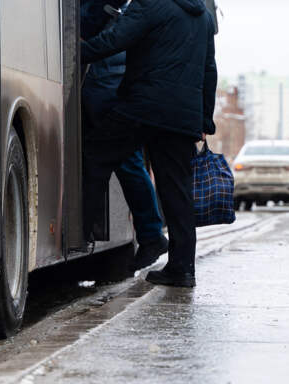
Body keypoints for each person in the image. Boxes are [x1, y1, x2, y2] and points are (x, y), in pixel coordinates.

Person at [81, 0, 217, 288]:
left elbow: (116, 38)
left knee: (95, 155)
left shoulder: (151, 3)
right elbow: (209, 69)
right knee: (178, 191)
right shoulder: (202, 15)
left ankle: (82, 235)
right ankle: (182, 269)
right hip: (183, 115)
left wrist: (72, 53)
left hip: (144, 106)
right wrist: (205, 121)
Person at [80, 0, 168, 271]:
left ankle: (87, 231)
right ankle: (150, 233)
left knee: (112, 161)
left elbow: (90, 23)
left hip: (104, 86)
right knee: (123, 162)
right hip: (110, 83)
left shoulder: (121, 10)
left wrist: (74, 49)